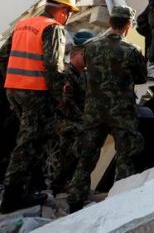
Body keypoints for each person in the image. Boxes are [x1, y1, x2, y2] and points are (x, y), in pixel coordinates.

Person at [0, 0, 77, 213]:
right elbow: (53, 66)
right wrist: (60, 97)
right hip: (35, 91)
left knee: (32, 136)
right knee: (29, 141)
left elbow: (3, 56)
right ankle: (13, 196)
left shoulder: (23, 24)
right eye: (69, 13)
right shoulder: (53, 28)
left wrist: (10, 81)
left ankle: (30, 187)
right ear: (63, 11)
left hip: (15, 89)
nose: (68, 18)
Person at [67, 6, 147, 212]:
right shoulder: (132, 50)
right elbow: (141, 78)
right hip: (122, 112)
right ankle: (119, 203)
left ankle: (75, 200)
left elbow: (85, 69)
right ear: (128, 25)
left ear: (110, 23)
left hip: (94, 111)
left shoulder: (90, 47)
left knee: (86, 156)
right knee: (125, 156)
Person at [49, 29, 94, 194]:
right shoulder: (67, 74)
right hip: (62, 120)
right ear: (77, 53)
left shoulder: (84, 75)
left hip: (77, 119)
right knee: (82, 137)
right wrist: (83, 120)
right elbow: (66, 103)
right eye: (86, 54)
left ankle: (75, 184)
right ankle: (64, 184)